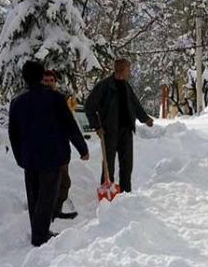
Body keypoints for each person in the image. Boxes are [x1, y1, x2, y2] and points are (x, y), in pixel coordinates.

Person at [9, 61, 89, 246]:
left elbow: (13, 133)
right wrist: (82, 148)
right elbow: (69, 125)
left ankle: (38, 230)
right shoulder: (54, 98)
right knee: (47, 197)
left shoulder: (18, 101)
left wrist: (19, 157)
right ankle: (40, 235)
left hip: (29, 157)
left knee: (34, 196)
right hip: (52, 156)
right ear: (40, 76)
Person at [85, 58, 154, 193]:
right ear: (121, 69)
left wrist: (145, 119)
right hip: (109, 131)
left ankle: (125, 193)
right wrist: (97, 126)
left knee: (127, 165)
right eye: (128, 69)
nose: (130, 72)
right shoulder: (104, 86)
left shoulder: (126, 86)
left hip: (126, 130)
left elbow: (135, 104)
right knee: (108, 165)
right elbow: (89, 106)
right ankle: (107, 192)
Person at [42, 69, 77, 220]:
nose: (49, 83)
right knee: (47, 183)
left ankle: (56, 210)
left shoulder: (61, 99)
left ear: (55, 82)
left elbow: (69, 123)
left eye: (51, 80)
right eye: (46, 80)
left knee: (64, 182)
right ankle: (45, 213)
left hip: (61, 148)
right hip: (45, 149)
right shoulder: (38, 99)